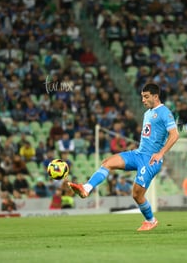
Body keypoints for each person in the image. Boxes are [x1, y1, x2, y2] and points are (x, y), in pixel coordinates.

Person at [68, 83, 179, 231]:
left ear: (156, 96)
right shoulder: (147, 113)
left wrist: (160, 153)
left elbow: (175, 134)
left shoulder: (165, 112)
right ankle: (86, 189)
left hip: (151, 160)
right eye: (142, 97)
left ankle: (151, 220)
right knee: (107, 162)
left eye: (146, 97)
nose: (143, 100)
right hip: (139, 154)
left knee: (137, 195)